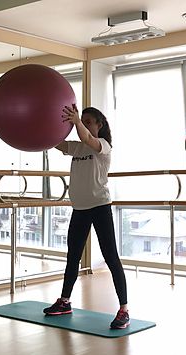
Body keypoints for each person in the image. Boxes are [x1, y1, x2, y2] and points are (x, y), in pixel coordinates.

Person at [43, 105, 130, 329]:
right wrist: (41, 127)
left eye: (88, 121)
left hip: (100, 206)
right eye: (83, 121)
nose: (83, 124)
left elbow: (88, 138)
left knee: (110, 256)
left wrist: (77, 123)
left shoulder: (103, 146)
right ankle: (65, 302)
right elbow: (55, 142)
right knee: (73, 256)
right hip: (79, 208)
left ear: (99, 125)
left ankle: (123, 310)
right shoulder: (78, 148)